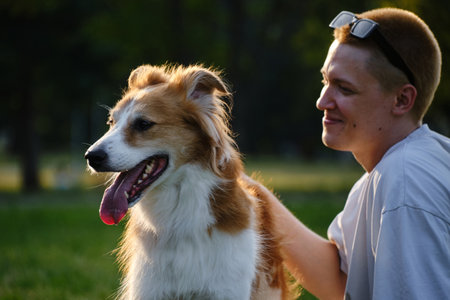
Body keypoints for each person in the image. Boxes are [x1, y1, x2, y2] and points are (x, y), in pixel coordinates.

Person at [246, 7, 450, 300]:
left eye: (344, 88)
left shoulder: (405, 181)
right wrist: (251, 194)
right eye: (325, 81)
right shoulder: (392, 172)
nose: (322, 101)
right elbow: (339, 281)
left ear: (402, 99)